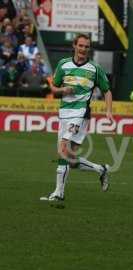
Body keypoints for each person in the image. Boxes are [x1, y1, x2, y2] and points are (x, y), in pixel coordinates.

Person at [40, 33, 113, 208]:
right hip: (64, 112)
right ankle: (101, 169)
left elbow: (107, 90)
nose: (83, 49)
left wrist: (108, 111)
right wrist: (64, 90)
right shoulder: (63, 64)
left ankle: (58, 193)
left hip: (81, 113)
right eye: (80, 46)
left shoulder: (95, 69)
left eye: (86, 47)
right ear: (74, 45)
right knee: (70, 160)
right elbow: (55, 89)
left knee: (62, 150)